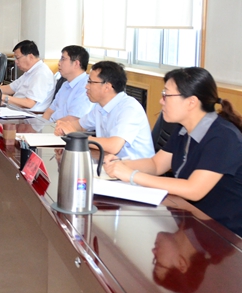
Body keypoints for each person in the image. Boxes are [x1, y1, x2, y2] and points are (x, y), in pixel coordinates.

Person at [103, 67, 242, 236]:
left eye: (166, 95)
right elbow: (156, 164)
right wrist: (121, 164)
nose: (161, 101)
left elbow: (194, 189)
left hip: (225, 233)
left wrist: (132, 175)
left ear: (191, 102)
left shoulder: (223, 137)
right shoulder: (183, 129)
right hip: (191, 220)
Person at [55, 61, 154, 159]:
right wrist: (64, 127)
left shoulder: (129, 108)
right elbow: (80, 125)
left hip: (134, 167)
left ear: (107, 87)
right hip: (111, 163)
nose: (86, 86)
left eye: (90, 82)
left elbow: (114, 146)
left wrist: (76, 137)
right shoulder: (100, 106)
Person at [0, 40, 54, 111]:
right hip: (16, 110)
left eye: (17, 58)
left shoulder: (41, 73)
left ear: (30, 57)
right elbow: (10, 88)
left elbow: (29, 103)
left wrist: (2, 97)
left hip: (29, 114)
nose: (15, 61)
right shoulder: (30, 71)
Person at [43, 45, 93, 122]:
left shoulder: (86, 87)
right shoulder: (65, 84)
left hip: (62, 127)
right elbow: (50, 111)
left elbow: (73, 119)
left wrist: (50, 127)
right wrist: (40, 126)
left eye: (63, 59)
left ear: (76, 64)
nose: (59, 63)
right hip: (52, 125)